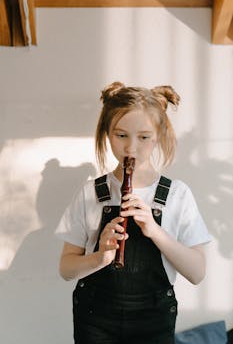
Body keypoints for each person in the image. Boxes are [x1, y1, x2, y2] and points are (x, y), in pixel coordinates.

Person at [55, 82, 211, 344]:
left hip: (154, 317)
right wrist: (100, 257)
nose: (131, 148)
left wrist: (155, 230)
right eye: (121, 135)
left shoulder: (177, 194)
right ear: (107, 133)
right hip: (95, 317)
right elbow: (66, 268)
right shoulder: (90, 193)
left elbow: (197, 273)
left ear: (159, 135)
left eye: (144, 137)